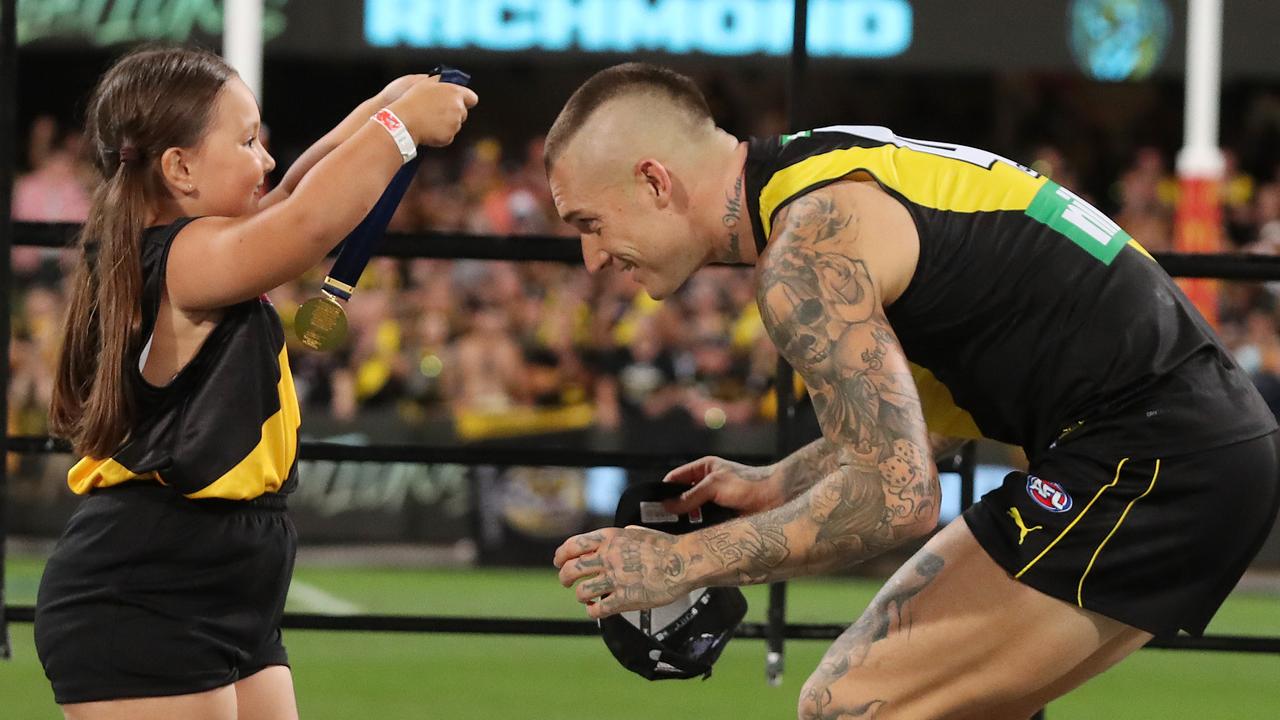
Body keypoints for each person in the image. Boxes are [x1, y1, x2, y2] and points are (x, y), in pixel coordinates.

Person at [549, 63, 1280, 719]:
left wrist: (679, 564)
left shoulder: (804, 253)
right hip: (1180, 446)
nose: (590, 259)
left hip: (1148, 455)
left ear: (654, 181)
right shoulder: (825, 171)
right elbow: (926, 422)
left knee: (851, 703)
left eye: (589, 223)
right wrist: (781, 480)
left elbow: (898, 497)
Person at [36, 46, 476, 720]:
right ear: (178, 168)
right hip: (150, 591)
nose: (266, 159)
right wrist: (400, 130)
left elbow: (299, 191)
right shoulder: (185, 259)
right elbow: (306, 223)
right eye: (247, 142)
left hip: (222, 584)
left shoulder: (198, 248)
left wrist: (383, 107)